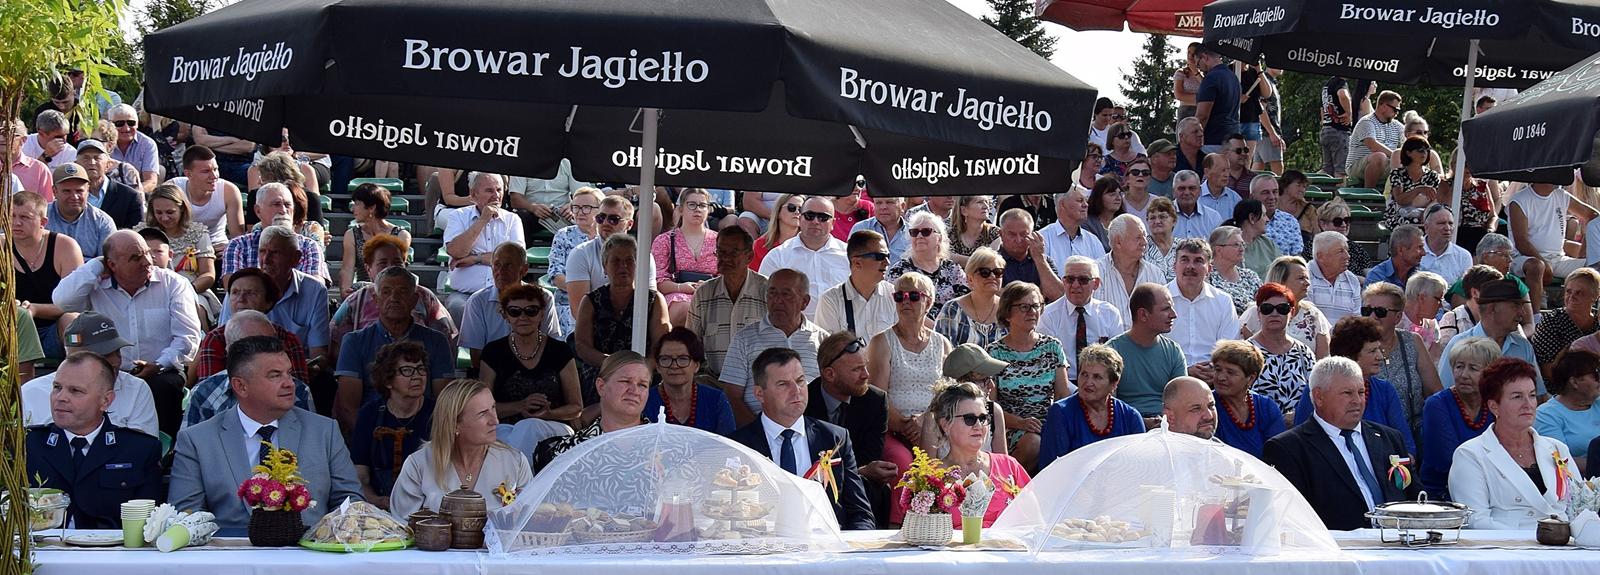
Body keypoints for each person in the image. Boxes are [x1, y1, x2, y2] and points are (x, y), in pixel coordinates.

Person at [169, 336, 362, 530]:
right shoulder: (197, 440)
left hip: (309, 545)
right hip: (231, 547)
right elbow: (186, 517)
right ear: (241, 386)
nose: (289, 383)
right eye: (275, 375)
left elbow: (350, 502)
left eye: (289, 373)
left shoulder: (324, 431)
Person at [54, 229, 198, 439]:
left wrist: (159, 364)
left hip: (161, 370)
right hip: (109, 370)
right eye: (135, 258)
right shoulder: (97, 286)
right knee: (85, 386)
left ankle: (161, 448)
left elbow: (187, 340)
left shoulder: (174, 284)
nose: (147, 261)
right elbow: (62, 301)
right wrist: (96, 265)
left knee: (164, 386)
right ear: (112, 265)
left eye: (147, 253)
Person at [1265, 356, 1420, 530]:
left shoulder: (1389, 439)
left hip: (1398, 543)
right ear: (1319, 397)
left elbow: (1416, 500)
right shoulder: (1288, 449)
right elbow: (1293, 519)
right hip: (1335, 545)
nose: (1357, 401)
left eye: (1361, 392)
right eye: (1347, 393)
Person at [728, 348, 875, 530]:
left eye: (800, 381)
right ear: (759, 393)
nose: (796, 391)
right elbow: (728, 516)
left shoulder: (835, 438)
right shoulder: (737, 446)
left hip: (827, 544)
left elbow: (861, 513)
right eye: (783, 384)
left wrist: (847, 546)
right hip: (763, 544)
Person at [25, 352, 162, 530]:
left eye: (75, 391)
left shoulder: (139, 450)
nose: (61, 397)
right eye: (57, 387)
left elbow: (148, 526)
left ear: (106, 401)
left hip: (113, 547)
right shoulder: (27, 445)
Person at [1450, 358, 1579, 530]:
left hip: (1565, 542)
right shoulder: (1470, 455)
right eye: (1517, 397)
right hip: (1505, 544)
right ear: (1494, 406)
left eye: (1532, 395)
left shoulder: (1557, 448)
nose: (1528, 404)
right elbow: (1475, 520)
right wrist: (1533, 540)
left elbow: (1579, 505)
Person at [389, 379, 531, 519]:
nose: (495, 420)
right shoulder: (419, 464)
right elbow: (401, 525)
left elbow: (530, 519)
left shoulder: (515, 462)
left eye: (493, 408)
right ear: (454, 424)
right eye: (483, 413)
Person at [334, 267, 456, 430]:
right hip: (369, 428)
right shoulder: (354, 342)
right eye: (386, 292)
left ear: (414, 300)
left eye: (402, 292)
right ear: (375, 299)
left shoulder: (437, 342)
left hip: (424, 430)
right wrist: (370, 439)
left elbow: (444, 401)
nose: (394, 298)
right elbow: (349, 407)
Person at [869, 272, 954, 484]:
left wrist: (925, 424)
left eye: (914, 296)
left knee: (947, 468)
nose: (905, 301)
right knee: (904, 468)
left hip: (936, 427)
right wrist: (907, 427)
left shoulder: (942, 344)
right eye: (899, 296)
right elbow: (877, 397)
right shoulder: (881, 342)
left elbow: (949, 394)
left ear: (929, 302)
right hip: (894, 430)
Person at [19, 312, 159, 437]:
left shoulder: (136, 389)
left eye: (117, 351)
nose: (116, 361)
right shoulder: (31, 393)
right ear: (72, 357)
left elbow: (143, 450)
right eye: (103, 355)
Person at [808, 331, 895, 527]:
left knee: (878, 490)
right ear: (829, 374)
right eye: (857, 369)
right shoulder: (805, 401)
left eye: (865, 366)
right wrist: (862, 470)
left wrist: (863, 470)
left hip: (856, 483)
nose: (866, 375)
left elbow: (870, 455)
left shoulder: (875, 401)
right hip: (813, 485)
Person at [219, 221, 331, 372]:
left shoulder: (315, 291)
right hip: (246, 371)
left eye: (275, 253)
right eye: (262, 251)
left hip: (297, 371)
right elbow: (222, 342)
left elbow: (319, 354)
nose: (266, 260)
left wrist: (305, 370)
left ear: (295, 258)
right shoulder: (240, 289)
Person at [1294, 317, 1417, 454]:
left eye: (1379, 349)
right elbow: (1300, 441)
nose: (1380, 357)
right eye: (1372, 351)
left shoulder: (1385, 390)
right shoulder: (1319, 390)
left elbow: (1406, 445)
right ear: (1351, 356)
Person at [719, 269, 826, 426]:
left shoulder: (822, 340)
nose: (777, 300)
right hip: (757, 429)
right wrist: (761, 434)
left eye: (786, 294)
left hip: (811, 430)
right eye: (772, 293)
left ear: (805, 302)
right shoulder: (744, 339)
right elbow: (732, 397)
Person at [332, 233, 458, 365]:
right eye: (383, 263)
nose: (391, 267)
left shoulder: (424, 297)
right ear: (368, 269)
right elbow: (337, 347)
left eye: (397, 262)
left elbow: (446, 340)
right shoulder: (356, 300)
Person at [922, 380, 1031, 528]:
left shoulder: (1009, 465)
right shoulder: (930, 478)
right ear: (945, 424)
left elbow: (1036, 521)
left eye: (983, 418)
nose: (978, 425)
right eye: (970, 419)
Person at [574, 234, 670, 401]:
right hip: (602, 371)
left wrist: (640, 369)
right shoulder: (590, 301)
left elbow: (660, 344)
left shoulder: (654, 300)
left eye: (629, 261)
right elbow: (582, 345)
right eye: (616, 261)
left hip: (645, 373)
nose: (623, 266)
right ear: (605, 266)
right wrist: (613, 365)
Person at [987, 282, 1071, 471]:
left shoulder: (1052, 347)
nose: (1032, 312)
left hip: (1047, 423)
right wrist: (1020, 422)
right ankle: (1006, 482)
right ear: (1007, 313)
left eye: (1036, 306)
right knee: (1033, 443)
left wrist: (1053, 426)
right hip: (1009, 425)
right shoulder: (994, 353)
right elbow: (990, 406)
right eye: (1024, 307)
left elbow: (1062, 396)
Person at [184, 310, 316, 428]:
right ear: (233, 352)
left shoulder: (299, 392)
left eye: (274, 342)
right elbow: (189, 446)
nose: (272, 350)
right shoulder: (205, 394)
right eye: (260, 346)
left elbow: (312, 444)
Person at [350, 341, 435, 511]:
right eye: (407, 370)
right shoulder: (370, 414)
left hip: (428, 508)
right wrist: (375, 500)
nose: (417, 376)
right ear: (388, 380)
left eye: (420, 369)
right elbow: (360, 475)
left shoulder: (438, 413)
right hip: (379, 509)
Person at [481, 283, 582, 426]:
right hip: (506, 429)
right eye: (514, 312)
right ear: (505, 316)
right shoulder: (493, 352)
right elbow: (484, 408)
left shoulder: (560, 351)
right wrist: (520, 406)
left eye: (531, 311)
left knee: (531, 427)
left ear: (541, 314)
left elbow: (576, 407)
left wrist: (549, 414)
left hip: (552, 428)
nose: (523, 317)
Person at [532, 352, 651, 472]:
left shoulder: (661, 444)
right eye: (625, 381)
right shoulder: (568, 451)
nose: (634, 391)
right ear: (601, 386)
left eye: (642, 385)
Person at [1038, 344, 1144, 468]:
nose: (1088, 382)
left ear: (1114, 384)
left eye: (1097, 377)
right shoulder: (1060, 413)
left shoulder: (1130, 417)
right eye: (1084, 374)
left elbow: (1139, 466)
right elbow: (1051, 468)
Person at [1419, 337, 1500, 500]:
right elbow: (1448, 461)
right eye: (1459, 367)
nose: (1464, 375)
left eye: (1473, 368)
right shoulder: (1436, 405)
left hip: (1491, 489)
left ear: (1490, 373)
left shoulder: (1494, 404)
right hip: (1443, 495)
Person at [442, 172, 526, 326]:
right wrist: (482, 220)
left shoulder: (512, 219)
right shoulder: (458, 216)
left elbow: (515, 259)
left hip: (505, 293)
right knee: (456, 306)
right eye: (489, 190)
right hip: (465, 294)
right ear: (474, 194)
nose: (496, 195)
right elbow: (456, 251)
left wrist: (475, 258)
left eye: (499, 190)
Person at [1363, 281, 1443, 441]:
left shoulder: (1412, 341)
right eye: (1366, 310)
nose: (1372, 316)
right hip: (1370, 435)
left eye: (1380, 312)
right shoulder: (1355, 344)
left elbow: (1435, 391)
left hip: (1413, 433)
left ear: (1398, 317)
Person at [1438, 279, 1546, 396]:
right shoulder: (1458, 344)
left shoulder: (1523, 346)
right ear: (1492, 309)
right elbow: (1443, 394)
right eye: (1515, 306)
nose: (1522, 313)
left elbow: (1539, 394)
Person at [687, 225, 768, 381]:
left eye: (733, 253)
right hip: (713, 381)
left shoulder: (767, 291)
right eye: (721, 252)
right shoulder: (703, 293)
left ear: (749, 257)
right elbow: (691, 345)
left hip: (756, 384)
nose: (725, 258)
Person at [12, 190, 84, 359]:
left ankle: (79, 363)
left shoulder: (65, 247)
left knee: (73, 321)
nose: (16, 223)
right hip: (12, 331)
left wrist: (35, 309)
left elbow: (76, 303)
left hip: (54, 330)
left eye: (25, 217)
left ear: (43, 222)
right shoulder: (2, 246)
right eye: (11, 216)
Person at [1108, 283, 1187, 421]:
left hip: (1166, 425)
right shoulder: (1111, 353)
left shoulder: (1173, 351)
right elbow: (1107, 406)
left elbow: (1182, 399)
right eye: (1166, 309)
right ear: (1143, 314)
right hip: (1126, 426)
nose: (1173, 315)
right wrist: (1141, 422)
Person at [137, 184, 218, 318]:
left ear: (182, 209)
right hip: (148, 290)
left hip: (192, 289)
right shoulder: (141, 232)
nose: (164, 218)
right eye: (159, 213)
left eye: (170, 212)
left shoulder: (198, 233)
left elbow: (208, 274)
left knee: (194, 309)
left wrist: (185, 290)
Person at [760, 196, 850, 315]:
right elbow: (762, 298)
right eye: (809, 216)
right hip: (793, 325)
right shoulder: (778, 257)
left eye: (823, 217)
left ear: (833, 223)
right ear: (800, 218)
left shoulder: (849, 255)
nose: (815, 221)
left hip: (841, 325)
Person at [220, 183, 327, 282]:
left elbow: (315, 287)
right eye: (276, 204)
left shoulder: (309, 246)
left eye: (287, 205)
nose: (283, 210)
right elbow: (232, 285)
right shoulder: (239, 245)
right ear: (258, 211)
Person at [1042, 255, 1126, 381]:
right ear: (1063, 281)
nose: (1075, 285)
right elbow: (1047, 364)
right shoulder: (1049, 315)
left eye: (1083, 280)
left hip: (1100, 383)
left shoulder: (1110, 314)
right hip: (1062, 383)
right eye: (1070, 279)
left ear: (1096, 284)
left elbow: (1115, 361)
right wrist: (1075, 390)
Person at [1247, 283, 1319, 425]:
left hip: (1300, 430)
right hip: (1261, 428)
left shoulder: (1304, 352)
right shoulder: (1245, 352)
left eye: (1282, 309)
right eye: (1267, 309)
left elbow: (1316, 394)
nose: (1274, 314)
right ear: (1258, 313)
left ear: (1292, 312)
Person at [644, 327, 736, 435]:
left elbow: (728, 443)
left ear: (696, 365)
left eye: (683, 359)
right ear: (658, 366)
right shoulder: (644, 400)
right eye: (666, 359)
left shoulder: (716, 400)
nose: (674, 366)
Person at [1167, 238, 1241, 367]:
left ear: (1209, 268)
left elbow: (1229, 348)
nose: (1190, 266)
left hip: (1214, 373)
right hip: (1171, 373)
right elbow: (1153, 348)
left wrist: (1213, 369)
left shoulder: (1223, 301)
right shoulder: (1159, 300)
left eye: (1198, 261)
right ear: (1174, 266)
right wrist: (1185, 370)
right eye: (1184, 260)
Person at [1509, 182, 1595, 290]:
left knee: (1596, 266)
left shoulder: (1561, 195)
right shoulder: (1519, 200)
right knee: (1536, 266)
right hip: (1523, 258)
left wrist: (1585, 247)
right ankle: (1535, 301)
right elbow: (1521, 243)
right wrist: (1544, 264)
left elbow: (1593, 216)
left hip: (1558, 260)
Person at [886, 212, 969, 323]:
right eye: (914, 232)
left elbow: (966, 303)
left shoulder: (953, 269)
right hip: (914, 328)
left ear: (939, 238)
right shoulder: (899, 271)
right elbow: (895, 308)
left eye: (926, 232)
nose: (919, 236)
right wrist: (936, 329)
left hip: (952, 328)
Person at [653, 188, 720, 326]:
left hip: (713, 295)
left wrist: (709, 286)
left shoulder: (720, 241)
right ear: (681, 209)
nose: (697, 209)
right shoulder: (664, 241)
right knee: (684, 308)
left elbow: (728, 276)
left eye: (702, 205)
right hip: (675, 295)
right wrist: (681, 287)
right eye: (692, 205)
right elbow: (658, 281)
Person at [1241, 257, 1331, 358]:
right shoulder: (1256, 312)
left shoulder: (1313, 315)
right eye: (1301, 278)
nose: (1307, 283)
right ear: (1281, 281)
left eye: (1307, 278)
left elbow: (1323, 360)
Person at [1210, 340, 1287, 457]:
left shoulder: (1266, 407)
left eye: (1230, 372)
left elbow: (1278, 452)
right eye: (1218, 369)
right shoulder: (1207, 406)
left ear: (1250, 378)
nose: (1221, 377)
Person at [816, 230, 895, 338]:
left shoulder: (895, 295)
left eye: (888, 256)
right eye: (879, 257)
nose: (887, 262)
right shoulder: (831, 300)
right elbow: (827, 346)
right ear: (857, 262)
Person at [548, 187, 604, 334]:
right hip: (567, 302)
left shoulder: (606, 238)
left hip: (602, 302)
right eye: (576, 207)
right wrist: (581, 290)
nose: (579, 212)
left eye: (586, 207)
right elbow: (555, 275)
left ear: (600, 210)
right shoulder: (563, 235)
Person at [339, 182, 409, 299]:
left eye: (357, 204)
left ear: (371, 208)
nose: (353, 208)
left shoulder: (401, 235)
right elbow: (347, 268)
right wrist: (346, 292)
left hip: (392, 291)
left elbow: (399, 270)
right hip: (362, 293)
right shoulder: (351, 235)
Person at [1537, 350, 1600, 469]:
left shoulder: (1598, 402)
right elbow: (1560, 460)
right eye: (1596, 375)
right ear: (1574, 382)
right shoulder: (1547, 415)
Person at [935, 247, 1008, 347]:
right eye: (984, 272)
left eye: (997, 272)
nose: (992, 276)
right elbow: (944, 351)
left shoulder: (1008, 310)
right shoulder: (952, 309)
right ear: (970, 279)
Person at [1533, 269, 1600, 376]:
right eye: (1568, 291)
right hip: (1561, 383)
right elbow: (1548, 370)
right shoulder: (1552, 320)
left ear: (1595, 296)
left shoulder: (1598, 320)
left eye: (1579, 293)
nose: (1572, 296)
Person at [44, 163, 114, 259]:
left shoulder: (102, 222)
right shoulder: (40, 217)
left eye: (79, 191)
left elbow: (107, 262)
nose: (74, 197)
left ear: (88, 190)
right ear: (54, 191)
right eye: (67, 191)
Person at [995, 208, 1065, 301]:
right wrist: (1038, 293)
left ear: (1032, 234)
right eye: (1012, 234)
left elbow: (1058, 295)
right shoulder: (992, 262)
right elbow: (991, 294)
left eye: (1024, 234)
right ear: (1001, 234)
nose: (1018, 240)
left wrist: (1039, 259)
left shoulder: (1044, 261)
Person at [72, 139, 142, 229]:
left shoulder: (129, 196)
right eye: (86, 158)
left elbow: (135, 232)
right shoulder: (69, 195)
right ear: (76, 165)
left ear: (108, 165)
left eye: (97, 158)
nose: (92, 162)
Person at [1304, 198, 1378, 278]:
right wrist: (1357, 279)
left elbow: (1370, 276)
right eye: (1338, 221)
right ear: (1323, 224)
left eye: (1347, 220)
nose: (1344, 225)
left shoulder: (1357, 249)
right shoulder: (1313, 248)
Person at [1041, 187, 1107, 273]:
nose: (1086, 205)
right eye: (1080, 200)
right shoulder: (1043, 238)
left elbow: (1102, 274)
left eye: (1086, 201)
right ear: (1062, 204)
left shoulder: (1093, 241)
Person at [1347, 90, 1405, 188]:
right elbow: (1373, 145)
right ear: (1384, 106)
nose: (1396, 113)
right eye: (1395, 110)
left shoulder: (1397, 125)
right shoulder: (1367, 122)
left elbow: (1408, 143)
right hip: (1357, 167)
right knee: (1379, 157)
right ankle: (1368, 193)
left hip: (1387, 164)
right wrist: (1396, 156)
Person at [1307, 230, 1364, 323]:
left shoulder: (1351, 279)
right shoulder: (1304, 277)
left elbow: (1356, 319)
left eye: (1347, 251)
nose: (1347, 256)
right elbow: (1304, 319)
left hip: (1344, 332)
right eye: (1340, 251)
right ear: (1320, 257)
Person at [1450, 154, 1504, 252]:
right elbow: (1446, 209)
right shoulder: (1446, 185)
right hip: (1458, 234)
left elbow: (1493, 216)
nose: (1468, 168)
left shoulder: (1482, 185)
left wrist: (1490, 229)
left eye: (1472, 164)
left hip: (1482, 233)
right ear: (1454, 165)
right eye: (1465, 164)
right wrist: (1458, 182)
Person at [1383, 137, 1441, 228]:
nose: (1424, 153)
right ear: (1408, 153)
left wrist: (1426, 212)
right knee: (1410, 224)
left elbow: (1436, 199)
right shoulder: (1397, 173)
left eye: (1427, 150)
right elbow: (1400, 200)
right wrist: (1418, 190)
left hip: (1425, 214)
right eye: (1420, 150)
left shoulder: (1433, 175)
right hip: (1398, 214)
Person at [1193, 44, 1240, 153]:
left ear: (1204, 57)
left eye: (1198, 63)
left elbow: (1202, 116)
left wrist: (1193, 138)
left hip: (1213, 140)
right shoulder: (1233, 77)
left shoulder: (1210, 78)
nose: (1198, 67)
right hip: (1233, 139)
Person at [1207, 226, 1263, 315]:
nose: (1242, 249)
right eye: (1236, 245)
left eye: (1243, 244)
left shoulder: (1250, 276)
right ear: (1219, 250)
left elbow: (1264, 302)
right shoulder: (1206, 276)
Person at [105, 104, 157, 192]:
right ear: (110, 125)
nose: (126, 128)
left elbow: (151, 181)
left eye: (131, 123)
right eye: (120, 123)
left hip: (137, 192)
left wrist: (133, 194)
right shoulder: (102, 143)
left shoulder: (147, 144)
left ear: (137, 124)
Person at [1401, 271, 1450, 362]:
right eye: (1439, 299)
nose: (1441, 306)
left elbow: (1435, 362)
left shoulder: (1431, 326)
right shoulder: (1395, 322)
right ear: (1422, 298)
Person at [1420, 204, 1473, 285]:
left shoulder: (1463, 256)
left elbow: (1465, 289)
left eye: (1450, 223)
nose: (1447, 228)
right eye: (1441, 223)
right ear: (1426, 227)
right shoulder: (1413, 251)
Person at [750, 193, 804, 272]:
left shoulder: (809, 244)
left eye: (801, 209)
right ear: (778, 211)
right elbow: (753, 276)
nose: (797, 212)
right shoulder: (760, 245)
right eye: (791, 208)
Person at [851, 195, 909, 266]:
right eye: (878, 203)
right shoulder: (860, 229)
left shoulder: (914, 233)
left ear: (902, 206)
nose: (883, 207)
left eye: (889, 202)